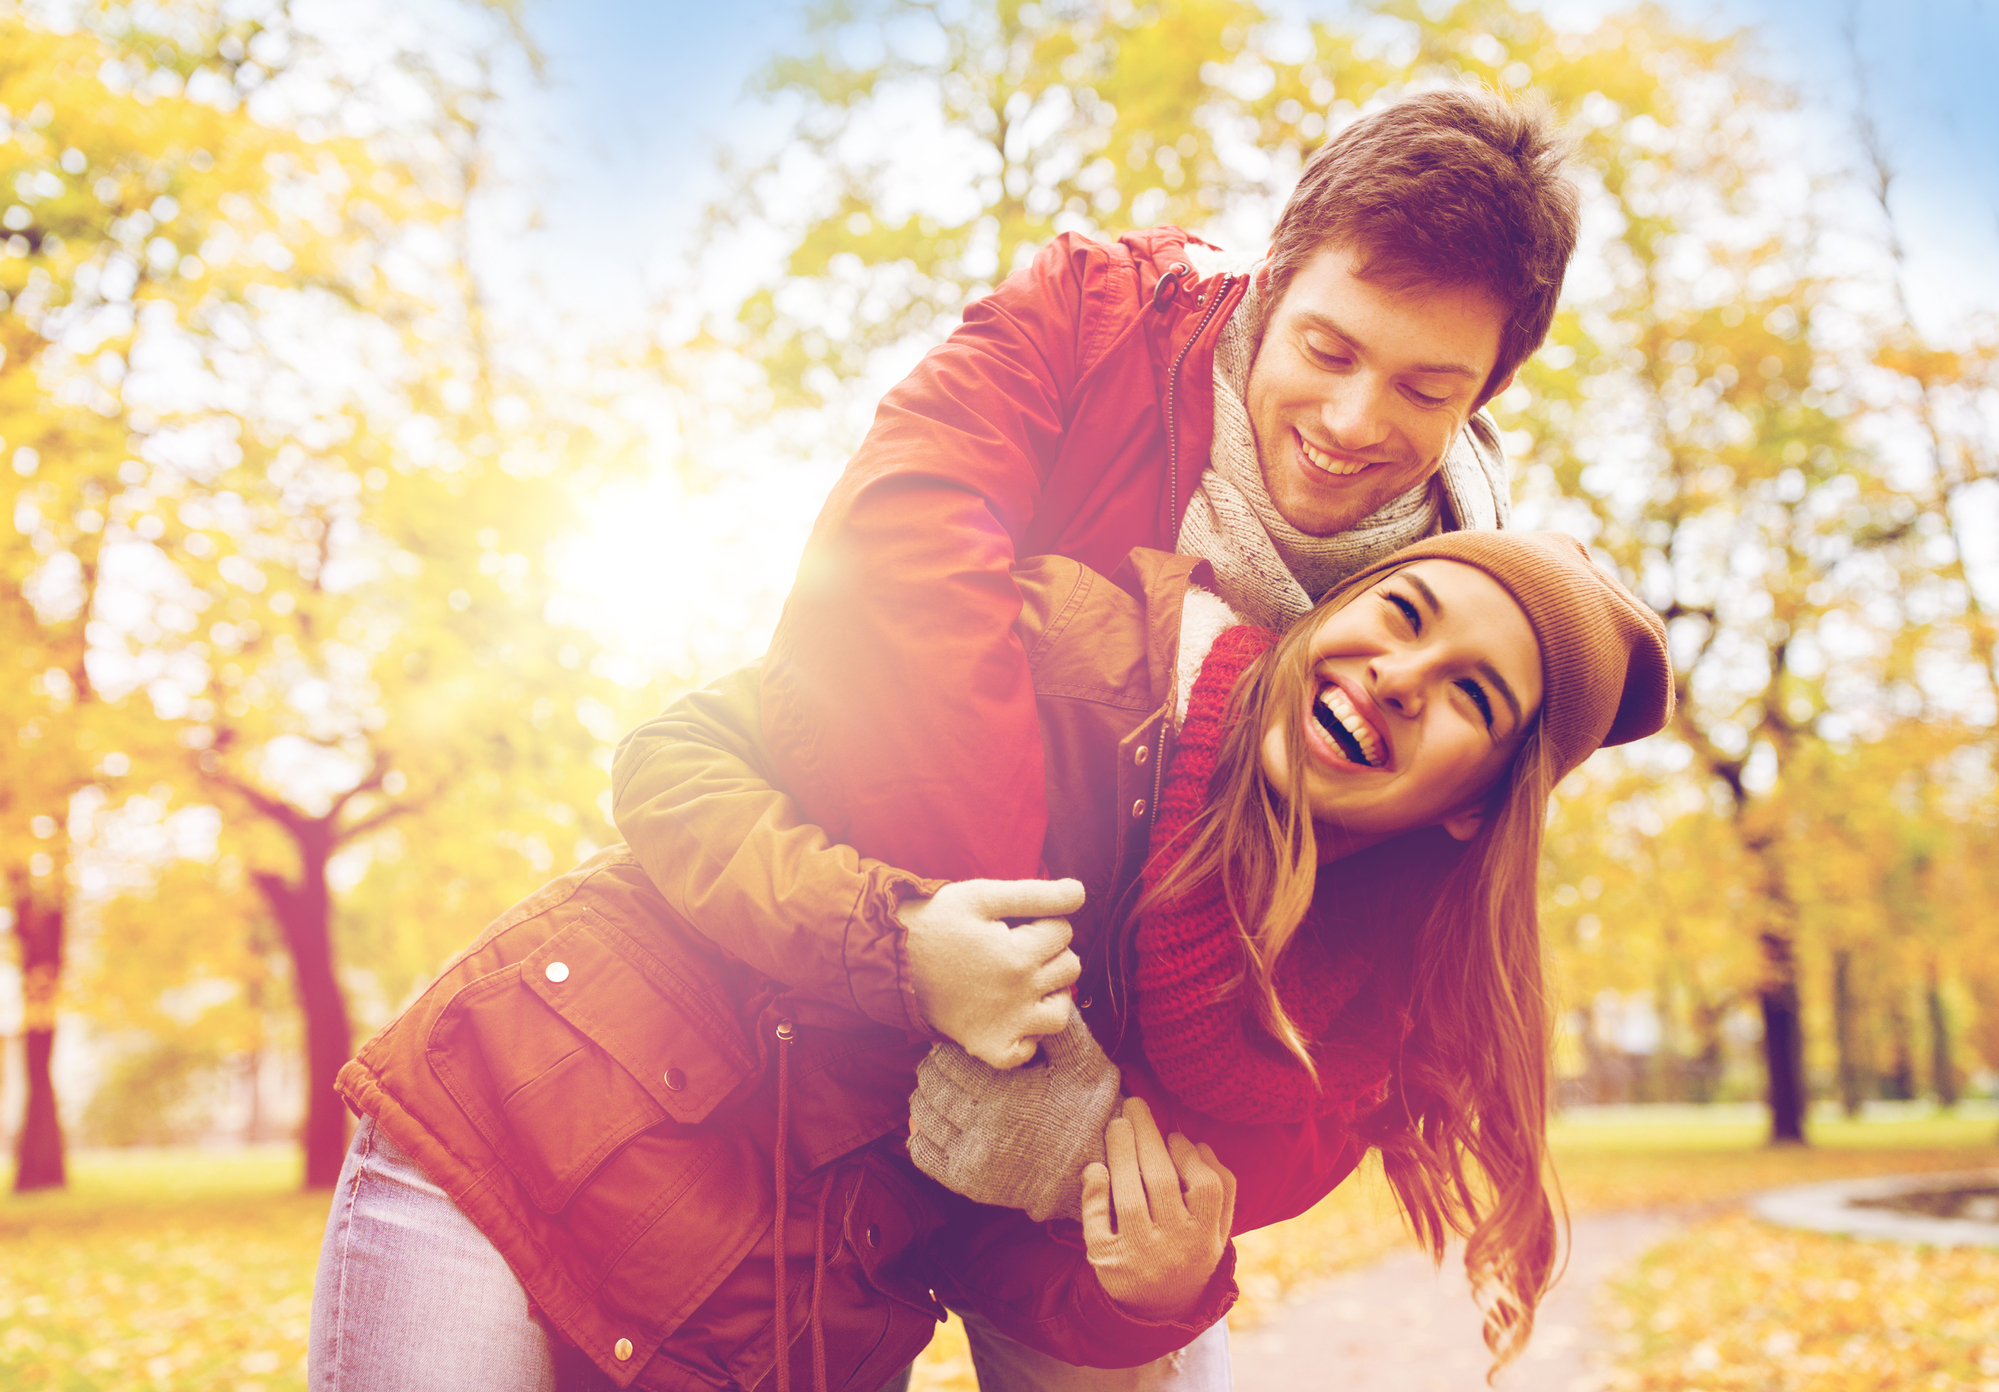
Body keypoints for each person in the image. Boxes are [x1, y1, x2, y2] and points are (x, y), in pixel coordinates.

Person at [312, 530, 1668, 1392]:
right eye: (1407, 612)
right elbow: (676, 758)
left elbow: (998, 1238)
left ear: (1475, 803)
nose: (1401, 676)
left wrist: (1158, 1290)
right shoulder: (1078, 649)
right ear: (1337, 609)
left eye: (1474, 696)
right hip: (539, 1110)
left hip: (785, 1296)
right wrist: (898, 944)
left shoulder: (1317, 1056)